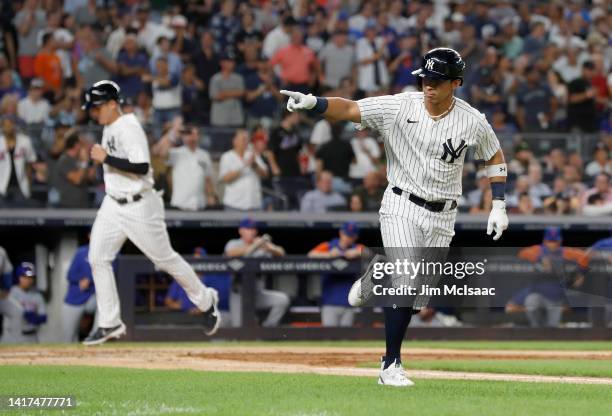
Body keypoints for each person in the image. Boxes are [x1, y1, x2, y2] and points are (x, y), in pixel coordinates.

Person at [281, 47, 509, 387]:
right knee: (406, 282)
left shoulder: (472, 120)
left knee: (418, 298)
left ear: (456, 83)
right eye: (425, 78)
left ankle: (379, 271)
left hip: (444, 215)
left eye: (437, 80)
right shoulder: (399, 106)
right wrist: (314, 103)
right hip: (401, 204)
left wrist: (499, 204)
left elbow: (493, 155)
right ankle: (390, 365)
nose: (429, 85)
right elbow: (350, 108)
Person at [80, 80, 219, 345]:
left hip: (139, 204)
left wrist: (106, 159)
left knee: (165, 260)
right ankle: (109, 323)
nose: (93, 113)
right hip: (113, 203)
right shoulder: (109, 126)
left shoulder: (129, 127)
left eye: (97, 107)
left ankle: (205, 300)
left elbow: (142, 167)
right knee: (97, 257)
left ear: (112, 104)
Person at [506, 227, 588, 327]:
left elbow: (584, 256)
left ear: (560, 240)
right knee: (532, 301)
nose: (552, 244)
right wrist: (540, 258)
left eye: (555, 241)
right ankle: (535, 328)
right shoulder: (537, 250)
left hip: (555, 297)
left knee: (552, 327)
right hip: (537, 293)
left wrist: (581, 273)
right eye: (550, 241)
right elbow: (522, 253)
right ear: (545, 241)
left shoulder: (564, 252)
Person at [224, 218, 290, 327]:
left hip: (257, 294)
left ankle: (267, 329)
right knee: (238, 327)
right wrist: (255, 245)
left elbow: (281, 253)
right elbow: (230, 253)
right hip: (239, 293)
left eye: (253, 229)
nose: (251, 232)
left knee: (282, 300)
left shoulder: (262, 246)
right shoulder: (234, 243)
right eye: (248, 229)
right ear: (241, 230)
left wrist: (269, 247)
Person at [308, 222, 364, 327]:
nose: (348, 238)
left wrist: (357, 253)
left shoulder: (357, 248)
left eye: (351, 236)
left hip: (349, 302)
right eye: (346, 235)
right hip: (329, 300)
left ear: (355, 237)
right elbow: (310, 255)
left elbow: (373, 254)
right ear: (341, 233)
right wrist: (329, 255)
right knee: (329, 336)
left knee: (346, 338)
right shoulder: (328, 246)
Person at [152, 125, 216, 211]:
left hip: (199, 203)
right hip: (180, 203)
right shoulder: (176, 153)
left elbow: (207, 179)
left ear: (199, 136)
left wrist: (211, 196)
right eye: (189, 134)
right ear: (183, 136)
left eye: (195, 134)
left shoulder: (204, 155)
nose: (192, 137)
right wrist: (173, 133)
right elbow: (157, 152)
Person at [165, 248, 231, 327]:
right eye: (195, 259)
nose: (197, 263)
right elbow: (168, 301)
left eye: (199, 260)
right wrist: (179, 306)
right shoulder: (181, 277)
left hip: (204, 318)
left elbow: (217, 300)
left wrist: (201, 309)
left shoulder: (211, 278)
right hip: (181, 316)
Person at [219, 129, 268, 211]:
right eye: (243, 139)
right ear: (235, 141)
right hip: (233, 205)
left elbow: (265, 174)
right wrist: (244, 165)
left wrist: (254, 165)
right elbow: (226, 179)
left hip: (253, 205)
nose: (246, 142)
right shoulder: (227, 157)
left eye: (247, 140)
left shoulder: (253, 154)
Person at [0, 262, 46, 344]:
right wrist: (21, 314)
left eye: (30, 277)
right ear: (18, 277)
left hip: (31, 337)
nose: (27, 280)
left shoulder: (37, 295)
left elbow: (43, 316)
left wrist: (36, 318)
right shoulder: (10, 293)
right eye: (24, 277)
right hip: (11, 337)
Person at [0, 115, 41, 207]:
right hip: (2, 186)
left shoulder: (25, 141)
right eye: (5, 125)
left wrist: (29, 184)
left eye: (10, 124)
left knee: (22, 217)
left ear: (15, 125)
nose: (8, 127)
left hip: (20, 186)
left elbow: (30, 163)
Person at [62, 243, 98, 342]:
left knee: (105, 301)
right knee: (68, 336)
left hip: (93, 296)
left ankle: (96, 336)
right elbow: (69, 275)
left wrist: (89, 279)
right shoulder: (81, 252)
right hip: (75, 298)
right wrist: (81, 280)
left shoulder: (110, 251)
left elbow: (113, 271)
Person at [54, 131, 97, 208]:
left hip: (83, 204)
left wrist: (95, 163)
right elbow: (77, 180)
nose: (87, 147)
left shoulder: (81, 160)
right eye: (84, 144)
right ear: (77, 145)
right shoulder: (64, 160)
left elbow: (91, 177)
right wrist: (84, 162)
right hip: (68, 206)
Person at [209, 51, 245, 127]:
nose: (231, 64)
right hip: (220, 119)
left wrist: (224, 93)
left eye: (232, 61)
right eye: (228, 61)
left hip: (236, 118)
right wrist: (234, 93)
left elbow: (242, 93)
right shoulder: (215, 78)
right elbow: (216, 96)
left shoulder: (238, 78)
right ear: (222, 63)